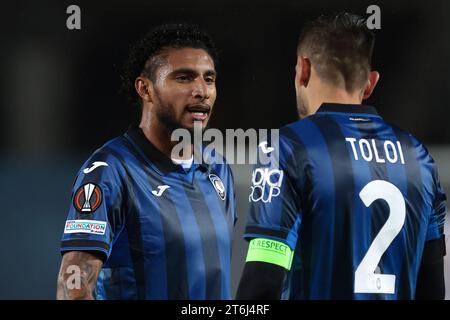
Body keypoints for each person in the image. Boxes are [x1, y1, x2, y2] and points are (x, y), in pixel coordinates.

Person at [237, 12, 446, 300]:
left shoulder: (288, 147)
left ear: (303, 69)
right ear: (370, 83)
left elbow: (263, 282)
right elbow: (432, 287)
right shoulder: (419, 157)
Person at [56, 23, 237, 300]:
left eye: (209, 79)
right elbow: (73, 287)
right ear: (145, 89)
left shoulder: (218, 170)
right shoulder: (110, 171)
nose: (201, 90)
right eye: (184, 78)